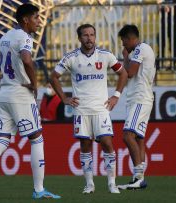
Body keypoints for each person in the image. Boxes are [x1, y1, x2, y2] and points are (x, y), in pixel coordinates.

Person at [0, 4, 60, 200]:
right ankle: (39, 190)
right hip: (21, 93)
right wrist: (34, 84)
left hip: (5, 94)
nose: (38, 21)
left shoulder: (6, 36)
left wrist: (0, 81)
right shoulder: (25, 38)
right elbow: (27, 60)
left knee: (1, 140)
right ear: (26, 20)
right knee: (37, 138)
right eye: (36, 17)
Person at [50, 24, 128, 194]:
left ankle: (111, 184)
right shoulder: (71, 58)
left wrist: (116, 95)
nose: (89, 38)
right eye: (85, 35)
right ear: (79, 38)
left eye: (92, 35)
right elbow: (53, 77)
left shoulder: (105, 56)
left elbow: (123, 73)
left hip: (101, 108)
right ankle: (89, 184)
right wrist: (64, 98)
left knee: (107, 143)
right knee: (85, 144)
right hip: (81, 109)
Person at [116, 25, 155, 190]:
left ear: (131, 38)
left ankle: (138, 176)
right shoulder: (142, 50)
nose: (123, 45)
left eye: (124, 42)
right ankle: (139, 178)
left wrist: (125, 59)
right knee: (138, 138)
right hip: (139, 98)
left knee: (127, 135)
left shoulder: (141, 48)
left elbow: (129, 73)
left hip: (140, 98)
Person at [157, 0, 176, 70]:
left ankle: (173, 64)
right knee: (161, 43)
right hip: (164, 25)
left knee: (173, 45)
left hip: (173, 25)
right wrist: (161, 6)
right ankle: (160, 63)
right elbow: (159, 6)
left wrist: (170, 8)